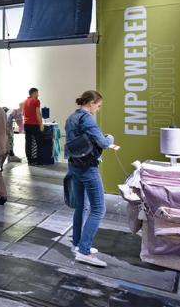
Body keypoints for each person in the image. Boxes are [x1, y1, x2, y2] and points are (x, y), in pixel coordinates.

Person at [65, 90, 118, 268]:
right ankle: (84, 251)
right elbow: (103, 143)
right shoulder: (87, 119)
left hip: (74, 166)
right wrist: (110, 138)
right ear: (91, 103)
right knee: (98, 209)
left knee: (82, 206)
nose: (98, 109)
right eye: (98, 106)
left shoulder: (71, 118)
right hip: (88, 168)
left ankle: (77, 243)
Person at [23, 87, 44, 165]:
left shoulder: (25, 101)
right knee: (39, 142)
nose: (38, 95)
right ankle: (39, 160)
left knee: (28, 142)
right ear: (33, 93)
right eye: (37, 93)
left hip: (26, 124)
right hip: (34, 124)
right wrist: (41, 124)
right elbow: (38, 113)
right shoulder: (36, 101)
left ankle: (30, 160)